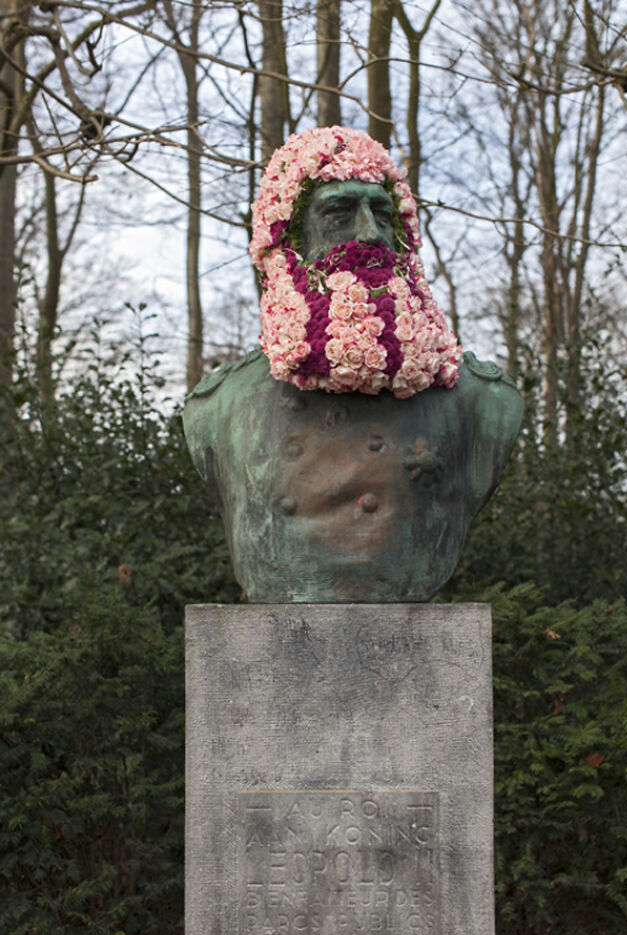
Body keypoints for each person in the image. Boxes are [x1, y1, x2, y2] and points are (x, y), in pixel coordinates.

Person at [183, 126, 523, 602]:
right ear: (289, 236)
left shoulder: (483, 400)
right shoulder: (219, 406)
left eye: (382, 213)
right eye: (339, 211)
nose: (369, 233)